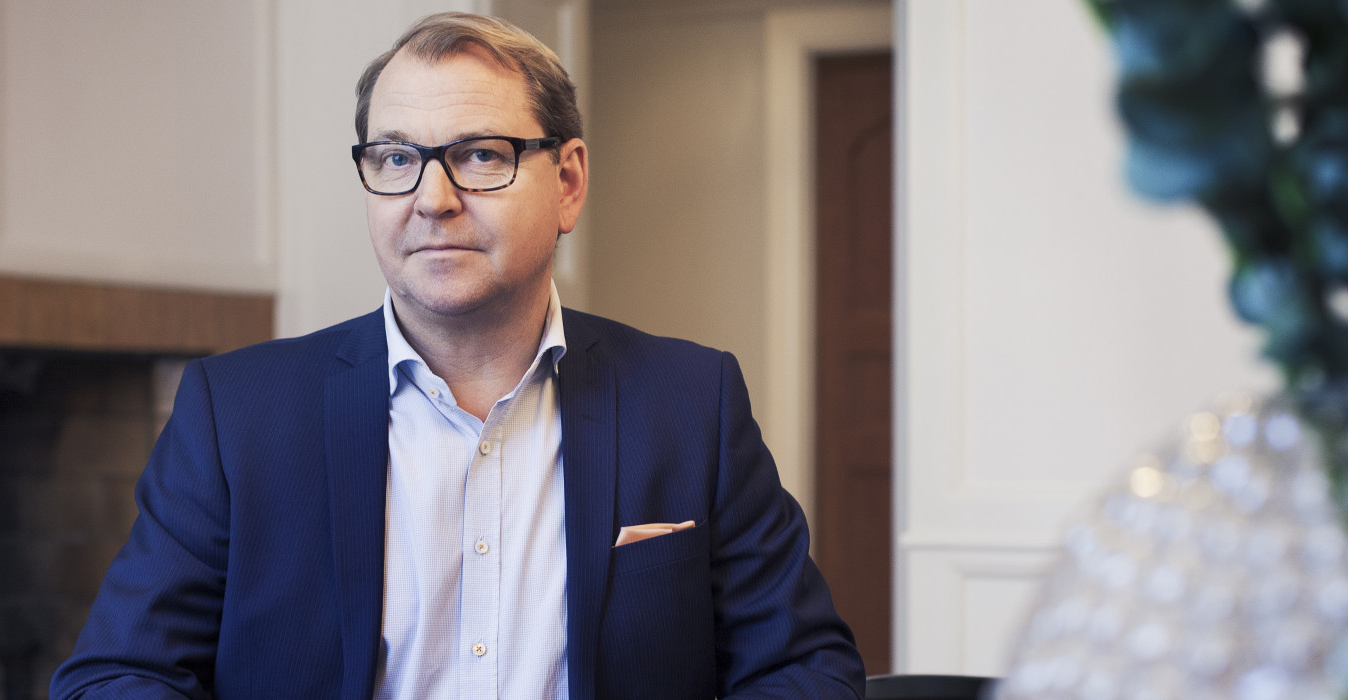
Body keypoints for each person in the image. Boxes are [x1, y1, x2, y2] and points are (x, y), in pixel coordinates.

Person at [50, 11, 862, 700]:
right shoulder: (236, 415)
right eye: (396, 159)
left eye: (480, 155)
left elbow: (805, 670)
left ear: (568, 182)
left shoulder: (690, 402)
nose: (432, 200)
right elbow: (116, 675)